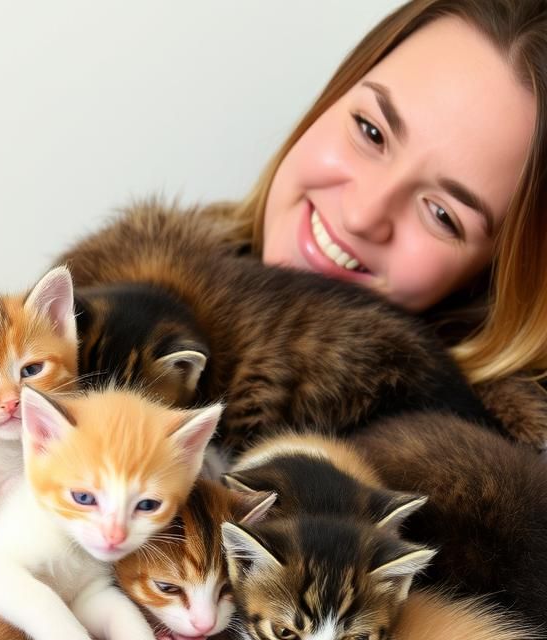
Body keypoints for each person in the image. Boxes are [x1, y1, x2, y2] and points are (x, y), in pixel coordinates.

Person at [215, 0, 547, 440]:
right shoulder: (101, 315)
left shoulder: (449, 496)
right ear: (332, 97)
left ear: (486, 281)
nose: (362, 214)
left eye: (442, 215)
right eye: (371, 132)